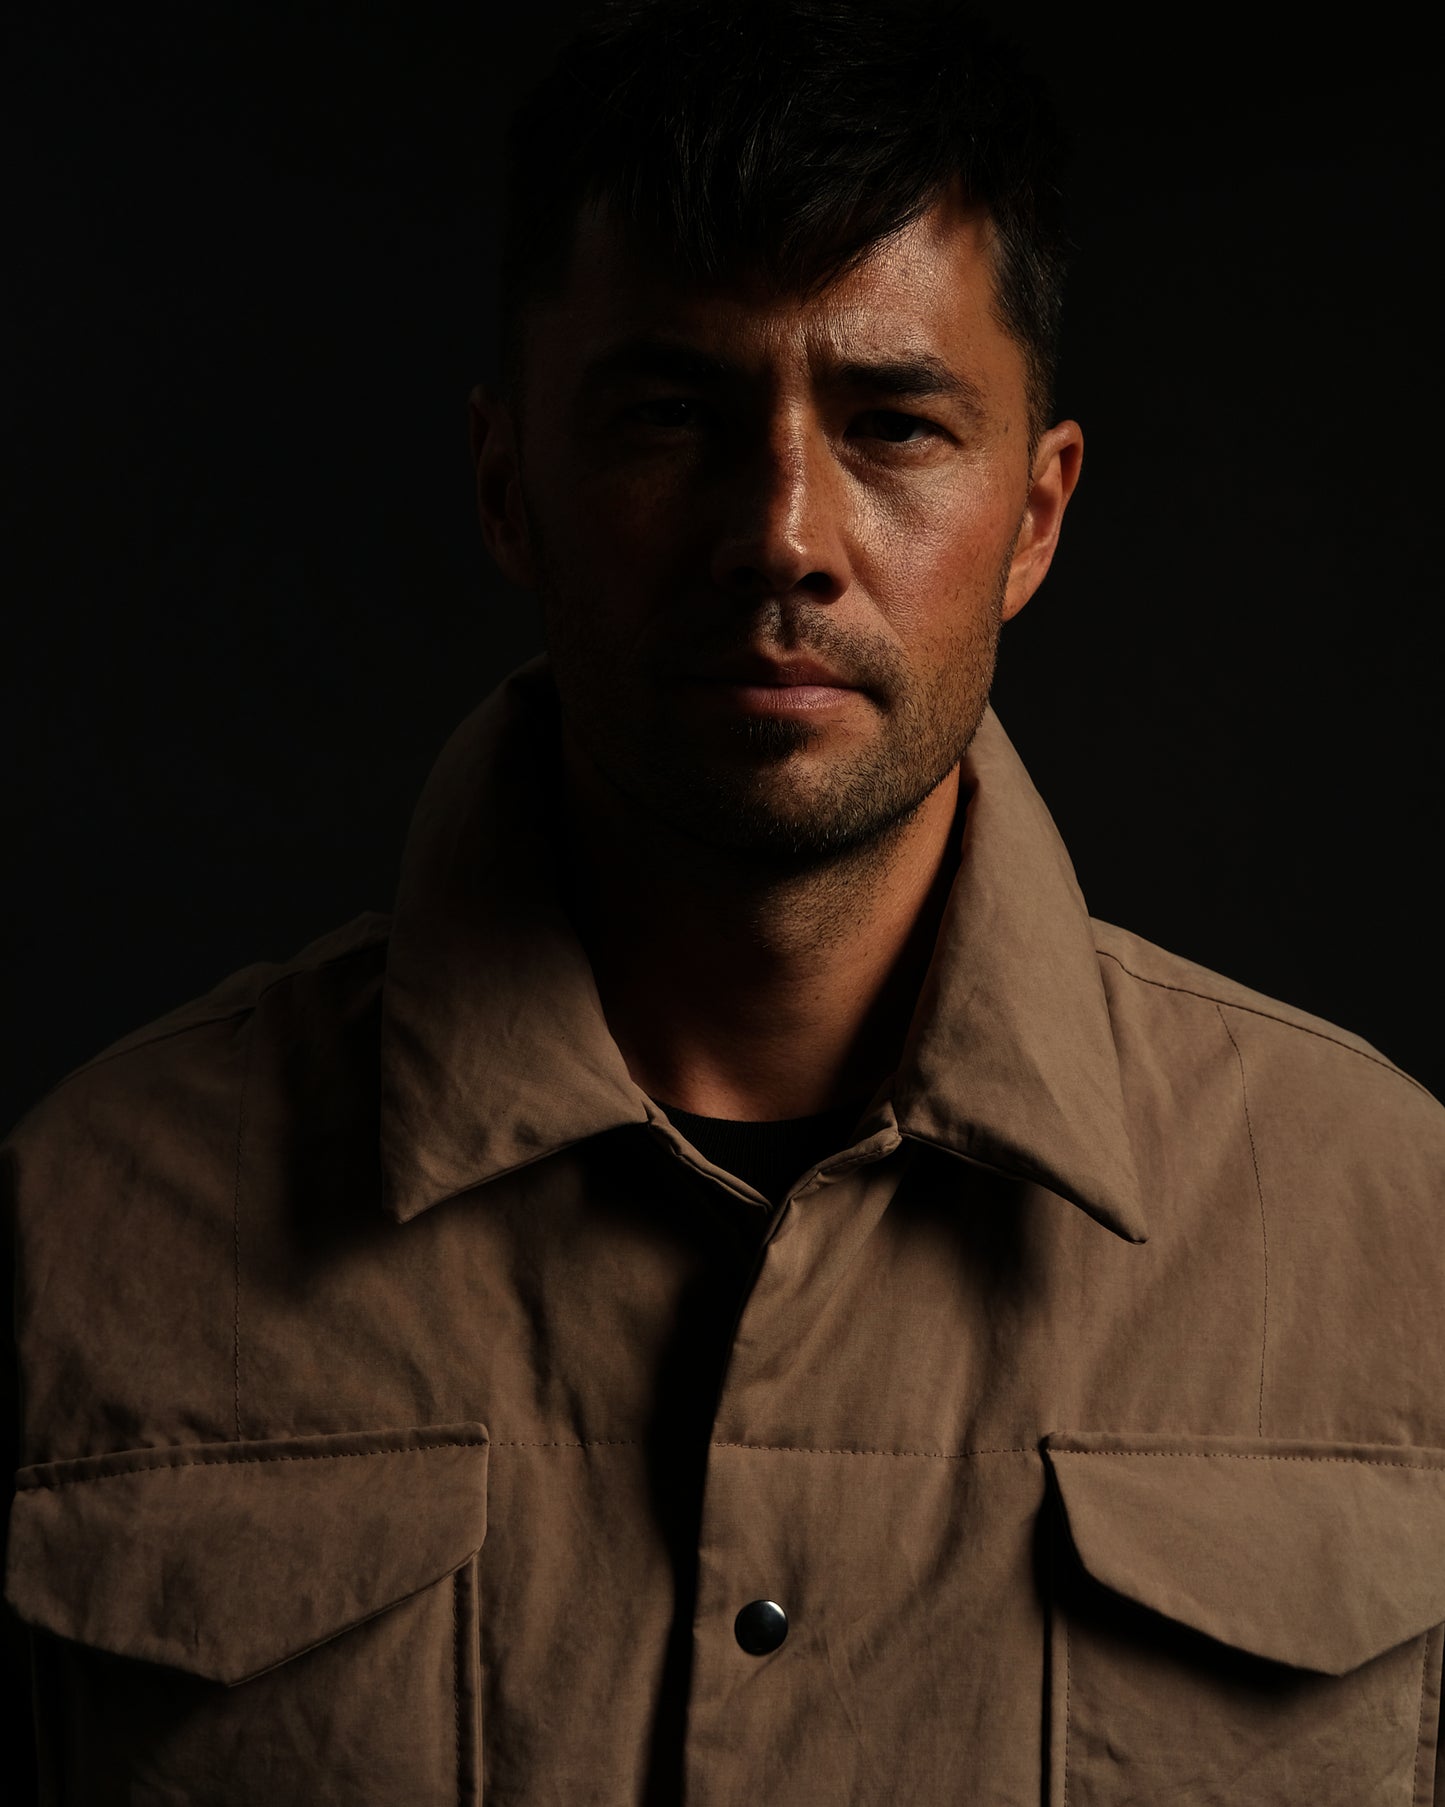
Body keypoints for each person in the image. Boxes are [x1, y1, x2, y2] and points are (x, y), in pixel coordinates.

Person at [5, 1, 1444, 1800]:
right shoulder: (78, 1243)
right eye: (670, 415)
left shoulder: (1395, 1246)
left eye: (893, 423)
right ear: (507, 488)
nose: (779, 533)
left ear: (1035, 516)